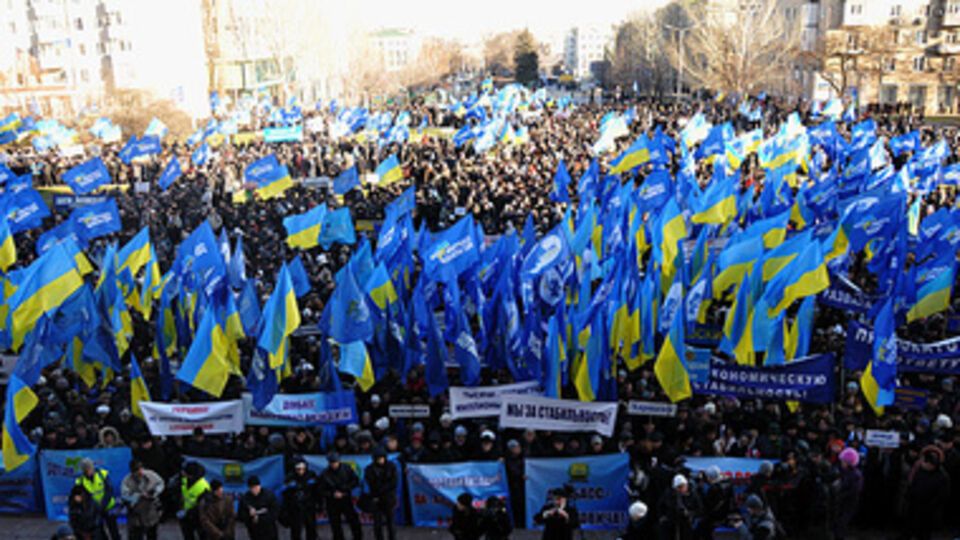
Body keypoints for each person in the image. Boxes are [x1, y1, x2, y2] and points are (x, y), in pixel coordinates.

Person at [901, 446, 951, 540]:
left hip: (928, 510)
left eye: (924, 462)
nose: (922, 464)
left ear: (931, 464)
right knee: (909, 529)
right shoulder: (920, 470)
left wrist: (931, 505)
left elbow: (943, 495)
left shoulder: (942, 477)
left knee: (924, 533)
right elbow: (913, 484)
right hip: (914, 505)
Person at [319, 451, 362, 540]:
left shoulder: (347, 469)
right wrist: (332, 494)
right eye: (332, 463)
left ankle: (358, 537)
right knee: (335, 524)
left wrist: (345, 489)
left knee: (353, 520)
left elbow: (355, 481)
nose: (334, 464)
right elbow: (321, 489)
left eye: (335, 462)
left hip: (346, 499)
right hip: (332, 501)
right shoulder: (325, 473)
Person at [74, 458, 120, 540]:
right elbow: (80, 497)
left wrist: (102, 505)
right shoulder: (80, 481)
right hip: (94, 510)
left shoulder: (102, 474)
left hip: (108, 507)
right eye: (86, 470)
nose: (88, 471)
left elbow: (109, 491)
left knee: (114, 530)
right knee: (99, 531)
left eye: (89, 469)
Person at [121, 459, 164, 540]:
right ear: (133, 471)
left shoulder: (151, 475)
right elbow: (125, 495)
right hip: (136, 514)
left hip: (151, 512)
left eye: (141, 469)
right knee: (136, 535)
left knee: (152, 534)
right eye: (137, 471)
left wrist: (154, 493)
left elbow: (160, 483)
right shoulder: (127, 480)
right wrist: (138, 496)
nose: (140, 472)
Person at [364, 446, 398, 540]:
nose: (380, 460)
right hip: (376, 499)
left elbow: (393, 482)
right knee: (377, 523)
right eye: (378, 458)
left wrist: (382, 490)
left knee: (390, 523)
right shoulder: (369, 469)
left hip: (388, 498)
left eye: (381, 458)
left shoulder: (391, 467)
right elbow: (371, 484)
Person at [281, 457, 319, 540]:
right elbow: (285, 494)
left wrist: (318, 504)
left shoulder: (311, 475)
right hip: (296, 508)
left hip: (309, 506)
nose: (301, 471)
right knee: (296, 530)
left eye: (303, 469)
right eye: (298, 469)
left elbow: (317, 491)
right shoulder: (290, 478)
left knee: (311, 528)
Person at [657, 474, 701, 540]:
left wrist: (689, 513)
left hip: (687, 524)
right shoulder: (669, 494)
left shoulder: (693, 494)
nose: (681, 489)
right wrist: (662, 517)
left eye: (682, 486)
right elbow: (660, 506)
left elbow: (699, 509)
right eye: (679, 487)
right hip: (671, 524)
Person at [833, 448, 863, 540]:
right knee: (839, 521)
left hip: (849, 501)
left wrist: (842, 495)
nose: (841, 463)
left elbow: (854, 490)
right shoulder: (845, 472)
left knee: (842, 522)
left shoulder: (855, 474)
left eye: (843, 461)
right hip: (843, 500)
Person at [239, 475, 280, 540]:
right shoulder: (246, 498)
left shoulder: (269, 495)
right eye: (251, 488)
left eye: (255, 487)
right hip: (255, 532)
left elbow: (275, 512)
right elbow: (241, 515)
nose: (254, 490)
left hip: (269, 531)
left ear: (259, 486)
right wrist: (250, 516)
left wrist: (260, 518)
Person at [179, 461, 211, 540]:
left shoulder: (203, 486)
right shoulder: (185, 480)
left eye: (185, 471)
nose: (182, 473)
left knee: (203, 536)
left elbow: (203, 505)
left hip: (199, 516)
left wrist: (188, 512)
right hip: (186, 516)